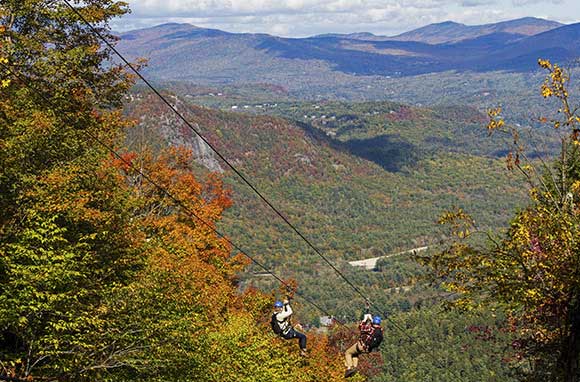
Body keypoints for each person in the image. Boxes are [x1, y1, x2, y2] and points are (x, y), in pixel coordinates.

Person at [344, 311, 383, 378]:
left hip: (361, 346)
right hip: (368, 349)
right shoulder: (380, 330)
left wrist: (364, 320)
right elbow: (374, 329)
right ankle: (354, 367)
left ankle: (349, 368)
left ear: (373, 321)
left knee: (348, 352)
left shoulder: (370, 328)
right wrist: (370, 320)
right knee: (355, 354)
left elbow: (360, 327)